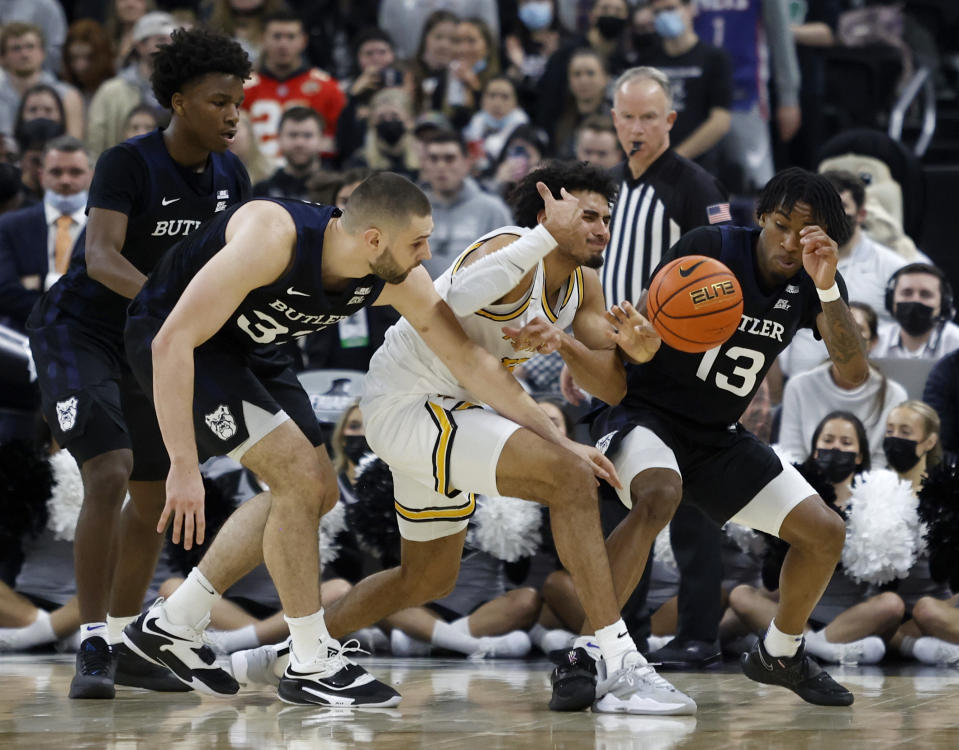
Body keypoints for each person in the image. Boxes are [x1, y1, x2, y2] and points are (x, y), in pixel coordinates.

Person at [119, 169, 623, 708]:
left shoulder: (397, 274)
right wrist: (183, 464)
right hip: (179, 342)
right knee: (298, 477)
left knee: (319, 491)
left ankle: (171, 625)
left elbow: (469, 360)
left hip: (253, 351)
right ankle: (310, 660)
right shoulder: (272, 235)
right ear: (373, 239)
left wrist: (556, 436)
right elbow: (172, 339)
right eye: (418, 242)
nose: (427, 254)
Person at [333, 161, 692, 715]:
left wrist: (629, 349)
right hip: (409, 404)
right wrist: (558, 437)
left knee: (426, 577)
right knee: (569, 473)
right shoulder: (505, 251)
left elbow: (612, 381)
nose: (601, 229)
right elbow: (445, 305)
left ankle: (298, 647)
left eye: (606, 218)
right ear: (549, 212)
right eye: (588, 215)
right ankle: (619, 661)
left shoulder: (582, 283)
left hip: (453, 415)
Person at [553, 167, 871, 709]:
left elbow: (854, 372)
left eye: (808, 231)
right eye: (779, 226)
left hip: (717, 435)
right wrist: (622, 346)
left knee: (824, 532)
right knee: (658, 496)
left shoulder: (816, 281)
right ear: (761, 219)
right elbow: (639, 330)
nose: (791, 242)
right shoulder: (711, 246)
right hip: (645, 411)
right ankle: (588, 650)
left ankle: (781, 652)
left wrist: (825, 286)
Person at [25, 28, 253, 700]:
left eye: (239, 102)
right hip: (82, 331)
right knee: (111, 469)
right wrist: (177, 307)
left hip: (155, 341)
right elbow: (99, 256)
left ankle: (126, 641)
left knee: (153, 491)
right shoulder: (128, 161)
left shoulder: (231, 177)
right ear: (179, 101)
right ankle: (91, 639)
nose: (234, 114)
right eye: (219, 101)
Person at [587, 65, 729, 672]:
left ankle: (699, 633)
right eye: (627, 117)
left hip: (685, 368)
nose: (637, 128)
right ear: (613, 121)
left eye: (650, 117)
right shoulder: (610, 190)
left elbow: (728, 287)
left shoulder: (695, 185)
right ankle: (630, 633)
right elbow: (600, 279)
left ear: (670, 121)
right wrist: (590, 353)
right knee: (622, 498)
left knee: (692, 504)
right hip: (621, 365)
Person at [730, 412, 903, 666]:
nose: (835, 448)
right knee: (740, 595)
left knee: (892, 604)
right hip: (796, 611)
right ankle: (822, 650)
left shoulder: (876, 501)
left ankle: (800, 649)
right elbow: (770, 579)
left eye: (846, 443)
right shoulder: (796, 497)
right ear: (814, 450)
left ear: (859, 455)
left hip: (851, 616)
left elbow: (889, 582)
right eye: (828, 440)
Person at [778, 169, 910, 377]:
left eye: (842, 207)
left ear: (862, 214)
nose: (832, 216)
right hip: (797, 387)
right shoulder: (789, 260)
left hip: (867, 385)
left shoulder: (892, 267)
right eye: (824, 209)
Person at [0, 136, 91, 332]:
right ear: (41, 176)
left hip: (90, 342)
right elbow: (4, 292)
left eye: (75, 172)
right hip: (23, 337)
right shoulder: (10, 226)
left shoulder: (110, 228)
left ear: (91, 175)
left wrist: (39, 283)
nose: (65, 180)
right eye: (56, 172)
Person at [242, 10, 345, 163]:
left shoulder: (328, 88)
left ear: (303, 41)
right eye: (277, 36)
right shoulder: (242, 89)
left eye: (290, 37)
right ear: (263, 39)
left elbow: (338, 143)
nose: (283, 44)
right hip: (253, 176)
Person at [640, 0, 732, 170]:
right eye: (657, 12)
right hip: (651, 163)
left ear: (690, 9)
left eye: (670, 9)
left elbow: (720, 121)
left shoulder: (714, 59)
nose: (664, 16)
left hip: (699, 166)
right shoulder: (647, 61)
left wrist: (676, 157)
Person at [418, 129, 512, 279]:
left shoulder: (493, 210)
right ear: (424, 164)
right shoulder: (411, 210)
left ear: (467, 162)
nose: (441, 166)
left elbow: (510, 265)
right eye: (433, 159)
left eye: (450, 159)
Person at [84, 11, 176, 159]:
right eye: (161, 39)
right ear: (140, 45)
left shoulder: (184, 90)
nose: (169, 45)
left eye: (172, 40)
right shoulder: (111, 91)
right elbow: (95, 144)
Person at [0, 22, 84, 139]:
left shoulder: (67, 96)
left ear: (42, 53)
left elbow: (74, 145)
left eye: (30, 46)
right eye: (16, 48)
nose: (24, 54)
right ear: (2, 58)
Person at [873, 263, 959, 360]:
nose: (915, 300)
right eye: (907, 293)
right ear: (891, 300)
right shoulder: (873, 344)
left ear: (943, 304)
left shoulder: (956, 343)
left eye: (925, 294)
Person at [252, 107, 326, 200]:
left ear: (321, 140)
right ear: (279, 138)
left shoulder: (337, 190)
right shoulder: (261, 192)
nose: (299, 143)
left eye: (307, 135)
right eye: (292, 135)